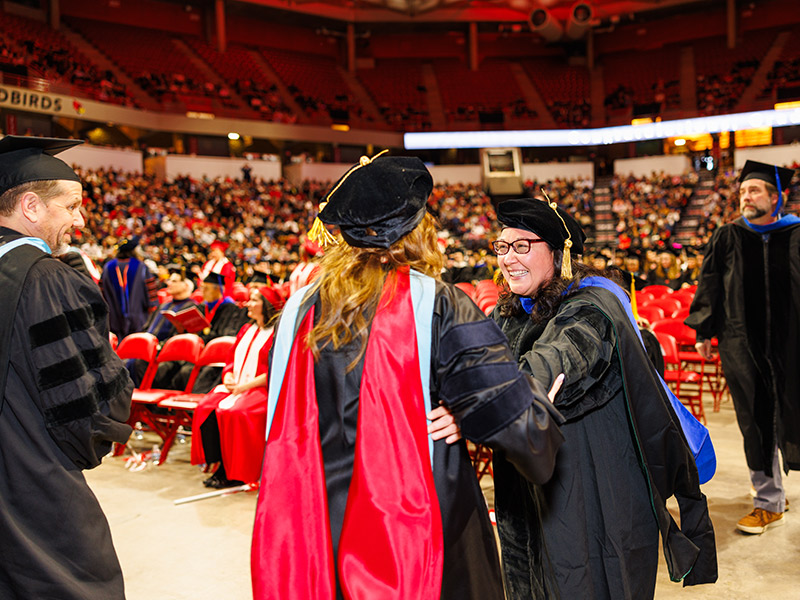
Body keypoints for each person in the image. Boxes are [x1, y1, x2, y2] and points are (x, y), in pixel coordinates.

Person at [251, 153, 564, 600]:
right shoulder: (438, 304)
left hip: (311, 528)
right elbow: (517, 424)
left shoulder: (296, 312)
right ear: (417, 232)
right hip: (419, 529)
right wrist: (533, 406)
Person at [490, 197, 717, 599]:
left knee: (590, 582)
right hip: (527, 486)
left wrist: (483, 400)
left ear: (559, 254)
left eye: (523, 245)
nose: (509, 257)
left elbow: (554, 360)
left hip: (592, 487)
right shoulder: (509, 312)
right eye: (503, 246)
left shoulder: (593, 309)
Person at [0, 136, 133, 599]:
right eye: (72, 205)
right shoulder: (47, 278)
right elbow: (92, 414)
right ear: (31, 207)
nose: (80, 219)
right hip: (33, 489)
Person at [686, 159, 800, 534]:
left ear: (776, 196)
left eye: (754, 190)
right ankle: (769, 501)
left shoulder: (797, 234)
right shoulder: (728, 236)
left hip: (792, 345)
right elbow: (711, 285)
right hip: (742, 345)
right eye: (742, 191)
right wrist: (704, 332)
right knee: (756, 420)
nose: (745, 197)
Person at [191, 286, 282, 489]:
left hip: (262, 388)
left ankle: (237, 472)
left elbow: (277, 368)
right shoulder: (246, 329)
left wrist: (245, 386)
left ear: (266, 306)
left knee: (237, 412)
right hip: (237, 385)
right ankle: (220, 464)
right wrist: (229, 376)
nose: (248, 304)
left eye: (255, 300)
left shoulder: (277, 333)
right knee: (205, 407)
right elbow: (231, 359)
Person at [100, 235, 158, 338]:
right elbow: (150, 291)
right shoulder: (141, 266)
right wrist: (152, 306)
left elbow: (102, 292)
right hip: (138, 315)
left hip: (113, 316)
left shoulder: (108, 267)